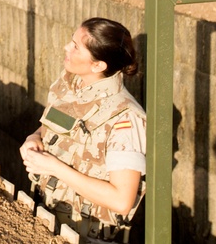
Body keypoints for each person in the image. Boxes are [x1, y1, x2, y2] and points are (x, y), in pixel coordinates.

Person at [20, 17, 146, 242]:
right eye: (72, 41)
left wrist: (56, 168)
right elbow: (49, 128)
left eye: (76, 47)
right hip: (44, 219)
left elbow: (121, 200)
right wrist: (34, 137)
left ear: (98, 65)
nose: (66, 48)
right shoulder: (70, 84)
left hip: (86, 236)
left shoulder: (125, 119)